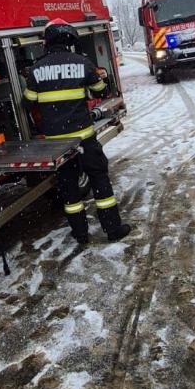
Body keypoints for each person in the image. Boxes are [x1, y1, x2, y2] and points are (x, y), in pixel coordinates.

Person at [24, 19, 131, 245]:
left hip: (57, 145)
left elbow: (28, 102)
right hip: (84, 139)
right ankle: (112, 229)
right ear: (70, 40)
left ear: (47, 42)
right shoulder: (82, 63)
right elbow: (100, 91)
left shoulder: (35, 69)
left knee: (69, 190)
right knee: (100, 181)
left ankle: (80, 234)